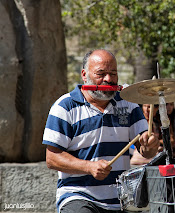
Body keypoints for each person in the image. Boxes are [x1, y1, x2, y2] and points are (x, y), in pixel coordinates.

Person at [42, 49, 159, 213]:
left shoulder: (129, 103)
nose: (108, 79)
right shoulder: (64, 107)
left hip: (122, 199)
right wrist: (88, 167)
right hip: (78, 196)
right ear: (84, 74)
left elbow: (145, 151)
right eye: (101, 73)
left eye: (113, 73)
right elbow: (52, 158)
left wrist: (150, 145)